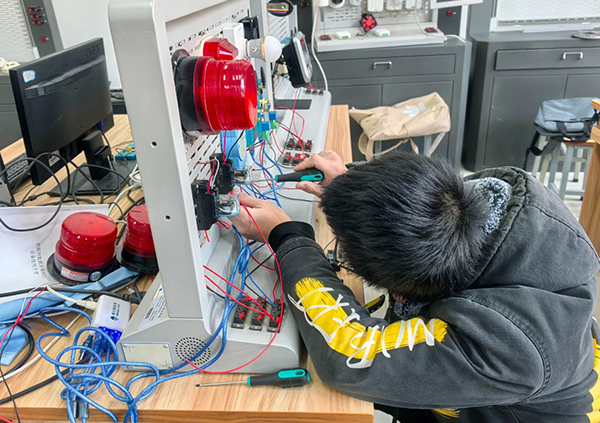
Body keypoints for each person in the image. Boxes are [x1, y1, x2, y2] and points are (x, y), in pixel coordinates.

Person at [230, 150, 600, 423]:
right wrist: (349, 187)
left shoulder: (512, 347)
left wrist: (288, 236)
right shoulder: (487, 202)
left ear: (403, 293)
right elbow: (418, 205)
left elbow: (353, 354)